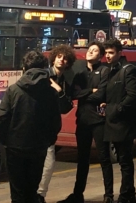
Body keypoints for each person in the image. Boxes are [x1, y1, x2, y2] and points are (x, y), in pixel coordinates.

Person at [0, 51, 62, 203]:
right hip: (39, 148)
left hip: (15, 147)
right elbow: (56, 122)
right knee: (32, 190)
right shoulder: (51, 93)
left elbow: (2, 118)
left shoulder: (13, 90)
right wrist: (48, 141)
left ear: (24, 69)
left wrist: (6, 140)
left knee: (18, 192)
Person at [58, 42, 112, 203]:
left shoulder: (104, 71)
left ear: (100, 55)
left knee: (104, 158)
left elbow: (101, 94)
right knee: (82, 159)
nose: (90, 52)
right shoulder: (80, 74)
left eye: (95, 50)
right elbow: (74, 94)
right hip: (82, 121)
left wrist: (86, 94)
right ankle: (77, 194)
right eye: (90, 49)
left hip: (99, 121)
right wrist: (90, 91)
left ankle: (108, 195)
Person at [103, 39, 136, 203]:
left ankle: (126, 195)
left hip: (124, 123)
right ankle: (129, 193)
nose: (107, 56)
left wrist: (116, 108)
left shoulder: (128, 70)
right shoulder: (112, 70)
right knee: (122, 159)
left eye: (111, 53)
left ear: (120, 53)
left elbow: (133, 95)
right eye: (106, 53)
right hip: (114, 121)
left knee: (125, 161)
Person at [38, 45, 76, 203]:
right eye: (59, 56)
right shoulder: (44, 76)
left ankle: (39, 196)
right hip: (38, 127)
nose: (62, 59)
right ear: (53, 58)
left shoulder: (65, 80)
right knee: (43, 164)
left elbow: (67, 106)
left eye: (65, 58)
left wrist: (59, 91)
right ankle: (37, 196)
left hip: (50, 129)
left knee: (48, 164)